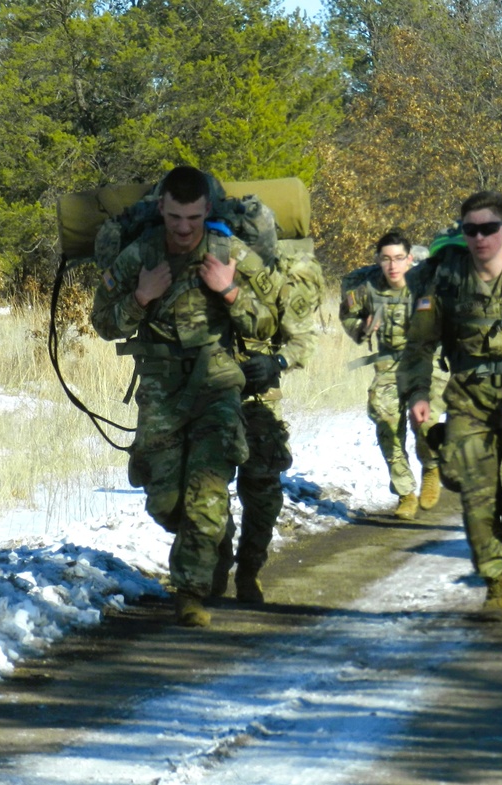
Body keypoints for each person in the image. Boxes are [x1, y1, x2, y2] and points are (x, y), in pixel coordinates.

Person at [91, 165, 277, 628]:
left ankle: (191, 594)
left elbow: (268, 325)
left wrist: (230, 292)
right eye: (175, 217)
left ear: (207, 210)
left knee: (207, 495)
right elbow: (103, 323)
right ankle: (215, 539)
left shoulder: (228, 253)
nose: (183, 228)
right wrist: (141, 297)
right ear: (161, 209)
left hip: (217, 384)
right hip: (160, 389)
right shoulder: (142, 256)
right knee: (165, 502)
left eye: (193, 218)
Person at [400, 191, 502, 621]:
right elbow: (419, 345)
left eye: (488, 229)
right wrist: (419, 394)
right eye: (470, 230)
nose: (479, 239)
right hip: (468, 399)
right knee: (477, 497)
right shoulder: (444, 280)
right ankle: (495, 585)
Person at [211, 238, 322, 604]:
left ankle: (249, 570)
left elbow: (302, 339)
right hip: (206, 397)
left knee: (262, 495)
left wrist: (276, 362)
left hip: (258, 399)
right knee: (207, 491)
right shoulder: (192, 260)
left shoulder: (276, 271)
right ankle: (216, 565)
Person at [340, 230, 447, 521]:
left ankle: (431, 465)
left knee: (424, 421)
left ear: (410, 259)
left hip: (427, 362)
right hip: (388, 365)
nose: (392, 266)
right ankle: (405, 493)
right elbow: (347, 316)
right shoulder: (366, 286)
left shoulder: (427, 282)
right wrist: (362, 327)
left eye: (399, 258)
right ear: (377, 260)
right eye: (386, 259)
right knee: (385, 420)